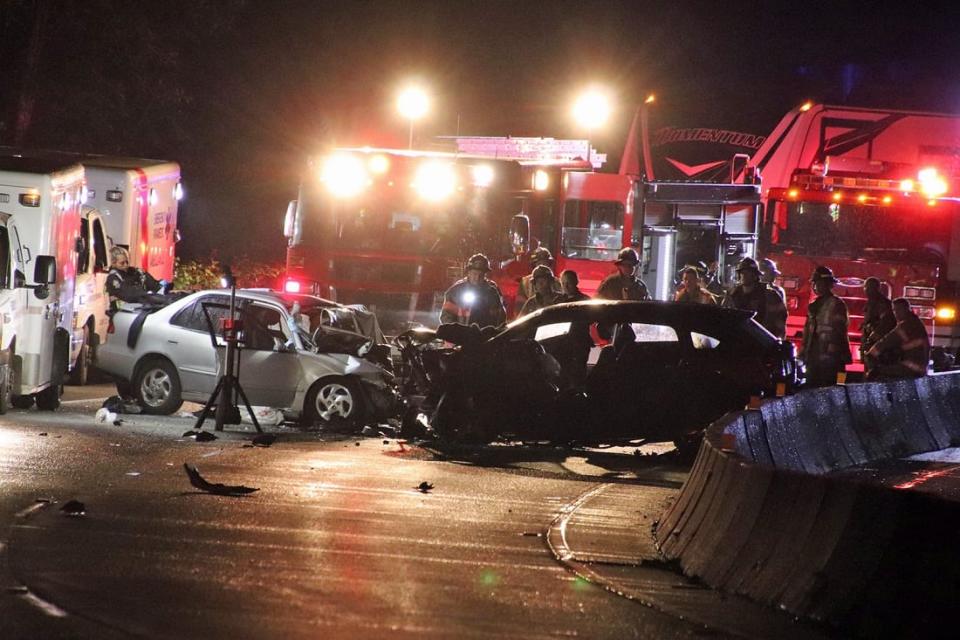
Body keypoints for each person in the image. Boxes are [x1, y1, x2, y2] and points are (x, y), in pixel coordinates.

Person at [800, 266, 852, 387]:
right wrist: (802, 354)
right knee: (812, 388)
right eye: (815, 283)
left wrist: (838, 353)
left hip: (831, 359)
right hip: (814, 357)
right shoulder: (813, 306)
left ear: (827, 284)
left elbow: (840, 331)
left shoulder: (837, 304)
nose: (815, 286)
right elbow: (807, 332)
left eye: (818, 283)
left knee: (831, 389)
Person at [865, 298, 930, 380]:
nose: (896, 313)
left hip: (910, 368)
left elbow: (886, 342)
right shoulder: (916, 322)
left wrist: (870, 355)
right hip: (919, 368)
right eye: (895, 310)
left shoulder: (906, 325)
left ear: (907, 309)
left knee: (876, 373)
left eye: (899, 309)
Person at [439, 253, 506, 329]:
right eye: (474, 274)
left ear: (485, 275)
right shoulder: (455, 291)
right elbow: (446, 317)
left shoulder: (492, 292)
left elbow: (500, 318)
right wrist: (456, 332)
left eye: (481, 275)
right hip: (462, 337)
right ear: (469, 272)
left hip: (484, 337)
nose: (477, 277)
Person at [105, 246, 166, 315]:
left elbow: (154, 285)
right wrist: (146, 295)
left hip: (138, 311)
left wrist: (161, 290)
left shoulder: (135, 272)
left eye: (127, 262)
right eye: (122, 263)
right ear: (114, 264)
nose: (126, 265)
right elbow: (128, 295)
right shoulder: (113, 278)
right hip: (120, 313)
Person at [860, 277, 896, 376]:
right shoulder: (871, 303)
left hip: (878, 346)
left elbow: (886, 323)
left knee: (875, 372)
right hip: (872, 344)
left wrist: (872, 338)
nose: (866, 290)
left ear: (876, 288)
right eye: (866, 287)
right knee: (868, 371)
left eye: (869, 287)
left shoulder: (881, 303)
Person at [515, 246, 561, 314]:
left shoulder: (557, 282)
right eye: (540, 264)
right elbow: (519, 308)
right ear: (534, 265)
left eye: (545, 263)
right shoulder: (525, 282)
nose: (542, 266)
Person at [722, 258, 767, 326]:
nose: (744, 275)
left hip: (758, 333)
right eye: (742, 272)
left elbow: (777, 320)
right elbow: (724, 315)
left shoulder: (767, 294)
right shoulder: (732, 293)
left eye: (748, 272)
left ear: (755, 275)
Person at [758, 258, 788, 339]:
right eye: (771, 274)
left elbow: (782, 316)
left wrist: (781, 336)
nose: (774, 277)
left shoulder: (778, 291)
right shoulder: (753, 290)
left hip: (771, 333)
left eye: (774, 274)